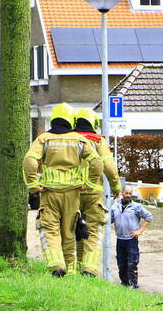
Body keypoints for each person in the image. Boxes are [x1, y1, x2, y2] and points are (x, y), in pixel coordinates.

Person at [23, 103, 103, 277]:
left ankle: (56, 266)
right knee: (68, 232)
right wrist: (89, 183)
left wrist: (33, 185)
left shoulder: (44, 139)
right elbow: (97, 163)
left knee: (50, 230)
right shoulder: (79, 139)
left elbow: (29, 161)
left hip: (49, 193)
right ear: (71, 120)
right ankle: (71, 270)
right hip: (73, 193)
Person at [73, 108, 122, 277]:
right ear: (94, 123)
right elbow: (108, 166)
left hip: (72, 192)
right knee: (93, 231)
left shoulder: (70, 140)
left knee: (75, 229)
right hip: (94, 193)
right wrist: (116, 187)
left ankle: (77, 265)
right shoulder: (98, 141)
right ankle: (89, 269)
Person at [111, 185, 153, 288]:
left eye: (130, 193)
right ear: (122, 193)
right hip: (120, 239)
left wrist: (139, 230)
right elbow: (109, 219)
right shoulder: (115, 206)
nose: (128, 195)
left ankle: (133, 285)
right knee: (121, 264)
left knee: (132, 263)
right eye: (126, 193)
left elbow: (149, 217)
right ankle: (124, 284)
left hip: (131, 240)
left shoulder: (136, 207)